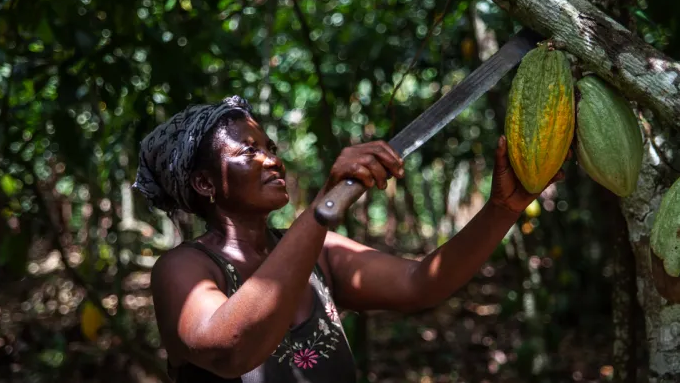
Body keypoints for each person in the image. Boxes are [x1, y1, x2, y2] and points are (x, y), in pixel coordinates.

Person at [133, 95, 568, 382]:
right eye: (250, 151)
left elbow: (421, 282)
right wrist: (323, 206)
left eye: (272, 147)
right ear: (206, 184)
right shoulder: (184, 268)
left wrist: (503, 209)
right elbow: (230, 351)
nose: (273, 160)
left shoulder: (318, 256)